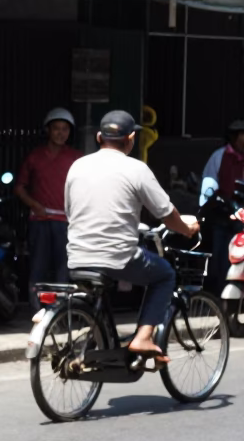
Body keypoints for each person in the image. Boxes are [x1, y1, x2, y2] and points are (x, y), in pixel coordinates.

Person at [65, 110, 200, 361]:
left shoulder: (77, 166)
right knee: (165, 275)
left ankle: (104, 339)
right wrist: (187, 229)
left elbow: (70, 211)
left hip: (76, 255)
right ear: (130, 138)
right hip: (118, 257)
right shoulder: (136, 169)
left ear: (98, 137)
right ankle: (143, 337)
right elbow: (166, 214)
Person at [15, 107, 82, 310]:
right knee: (38, 267)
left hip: (66, 223)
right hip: (39, 222)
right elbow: (19, 188)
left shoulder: (76, 158)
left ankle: (59, 311)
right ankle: (38, 310)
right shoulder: (35, 157)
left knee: (63, 268)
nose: (61, 133)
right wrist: (35, 205)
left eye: (65, 129)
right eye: (56, 129)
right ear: (48, 130)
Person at [198, 120, 244, 288]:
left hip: (242, 217)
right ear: (234, 137)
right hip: (221, 215)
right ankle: (217, 293)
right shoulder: (219, 156)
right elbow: (208, 185)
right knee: (219, 255)